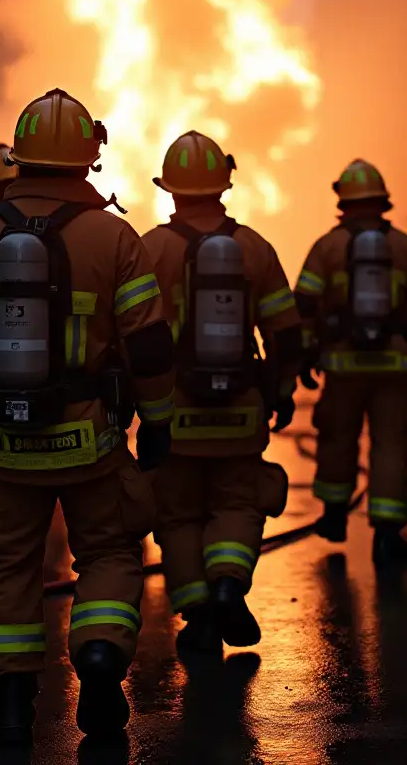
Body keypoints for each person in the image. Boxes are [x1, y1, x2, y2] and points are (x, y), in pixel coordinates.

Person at [0, 88, 175, 747]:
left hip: (4, 447)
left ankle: (10, 706)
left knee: (6, 568)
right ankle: (100, 661)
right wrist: (160, 419)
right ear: (90, 157)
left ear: (20, 155)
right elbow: (148, 343)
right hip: (94, 442)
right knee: (110, 552)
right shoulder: (116, 237)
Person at [140, 132, 302, 654]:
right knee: (238, 502)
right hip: (240, 409)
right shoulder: (253, 247)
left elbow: (128, 335)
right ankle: (230, 583)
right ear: (224, 185)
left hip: (172, 412)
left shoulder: (151, 249)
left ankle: (198, 612)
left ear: (170, 190)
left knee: (177, 514)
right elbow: (284, 331)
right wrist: (280, 390)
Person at [295, 159, 407, 566]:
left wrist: (306, 354)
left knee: (338, 438)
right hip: (394, 368)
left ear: (343, 200)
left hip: (343, 367)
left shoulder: (328, 246)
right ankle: (387, 531)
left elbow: (304, 305)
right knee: (391, 445)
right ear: (382, 200)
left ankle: (335, 516)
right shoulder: (405, 246)